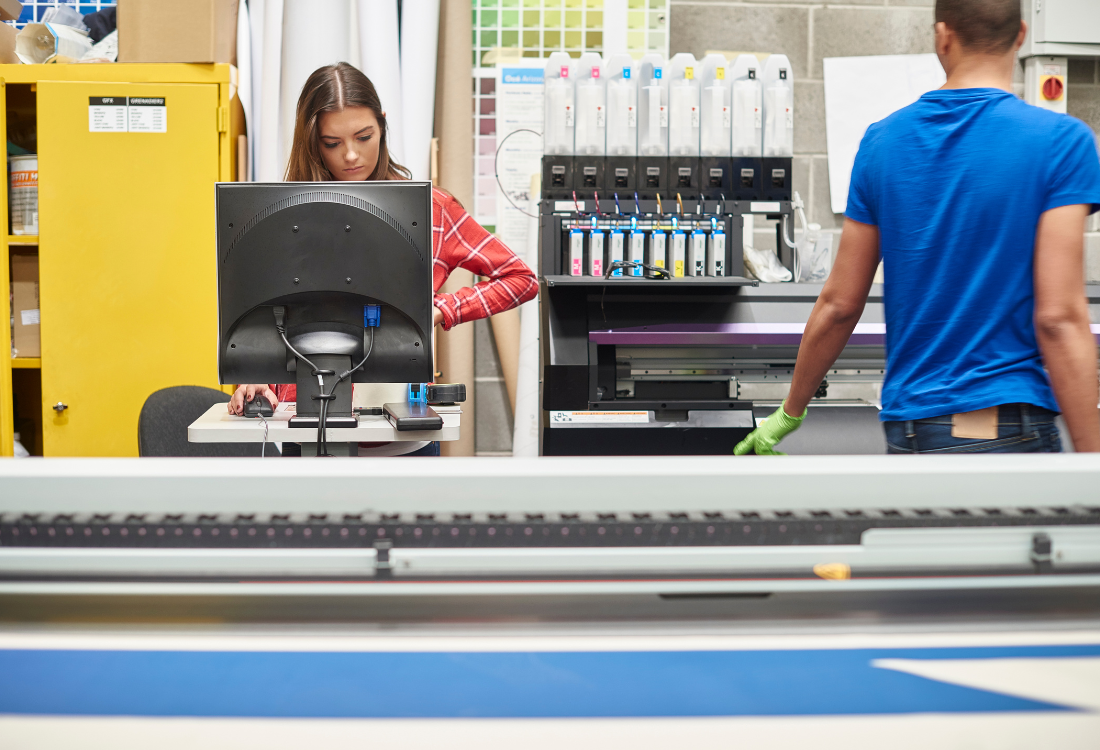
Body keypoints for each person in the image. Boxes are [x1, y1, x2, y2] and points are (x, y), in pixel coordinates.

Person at [736, 0, 1100, 456]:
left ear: (942, 37)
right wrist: (1093, 467)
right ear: (1021, 35)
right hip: (1004, 424)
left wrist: (789, 412)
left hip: (909, 426)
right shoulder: (1062, 144)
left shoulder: (881, 143)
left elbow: (839, 305)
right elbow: (1059, 318)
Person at [227, 62, 538, 455]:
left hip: (402, 438)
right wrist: (257, 378)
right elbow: (266, 315)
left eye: (363, 136)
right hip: (305, 431)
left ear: (382, 126)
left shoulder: (430, 210)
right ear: (311, 142)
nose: (352, 155)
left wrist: (441, 309)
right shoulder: (280, 216)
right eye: (332, 143)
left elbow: (520, 278)